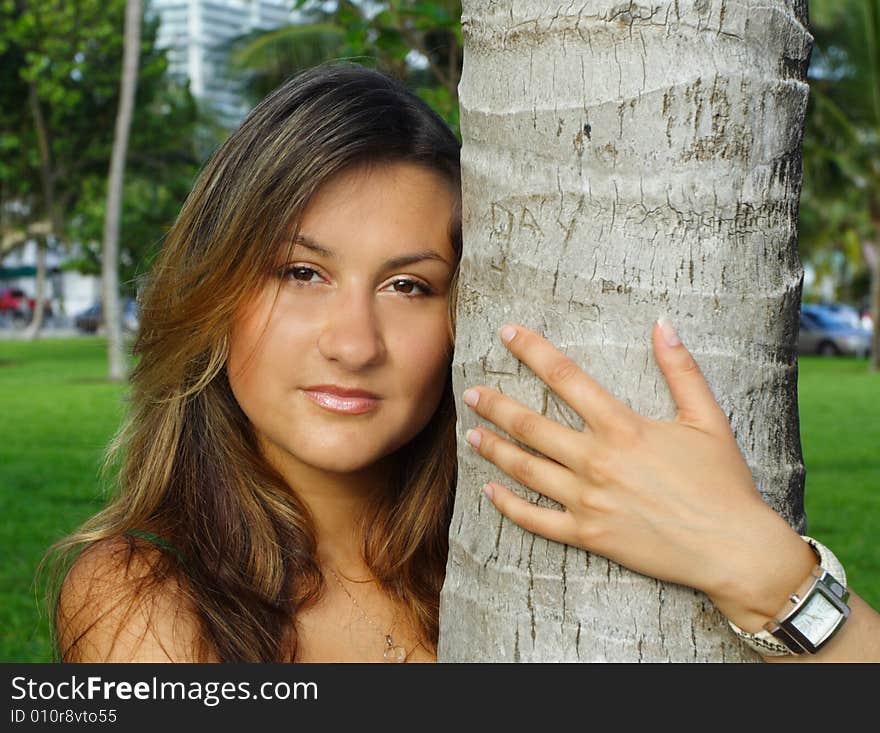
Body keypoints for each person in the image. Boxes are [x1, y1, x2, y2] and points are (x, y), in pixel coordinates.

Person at [46, 64, 880, 663]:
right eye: (302, 272)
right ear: (217, 288)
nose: (354, 341)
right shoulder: (143, 588)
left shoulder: (500, 557)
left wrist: (762, 567)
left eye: (410, 285)